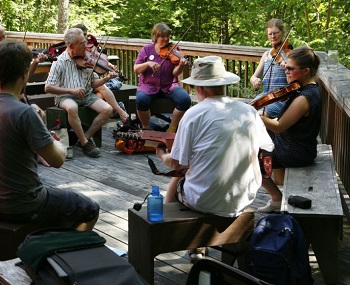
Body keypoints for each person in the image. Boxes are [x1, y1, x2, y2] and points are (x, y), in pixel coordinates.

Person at [155, 56, 274, 262]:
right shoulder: (249, 111)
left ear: (199, 88)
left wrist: (162, 155)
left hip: (203, 200)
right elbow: (268, 147)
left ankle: (187, 242)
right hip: (244, 195)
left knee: (178, 176)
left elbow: (177, 164)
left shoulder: (193, 114)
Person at [0, 39, 100, 231]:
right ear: (25, 73)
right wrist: (47, 131)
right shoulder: (23, 112)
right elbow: (58, 159)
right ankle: (63, 253)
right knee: (90, 208)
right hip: (22, 204)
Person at [258, 46, 322, 213]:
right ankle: (276, 189)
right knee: (255, 144)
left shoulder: (303, 98)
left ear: (306, 70)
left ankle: (276, 199)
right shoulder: (306, 89)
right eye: (286, 66)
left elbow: (279, 127)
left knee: (250, 160)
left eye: (290, 68)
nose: (285, 70)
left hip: (295, 151)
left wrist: (256, 116)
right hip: (298, 145)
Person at [45, 28, 116, 158]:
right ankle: (85, 143)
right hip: (66, 96)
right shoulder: (59, 61)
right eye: (82, 43)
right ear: (71, 46)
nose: (86, 46)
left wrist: (106, 79)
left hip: (86, 95)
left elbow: (93, 84)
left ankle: (84, 138)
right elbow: (48, 87)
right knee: (72, 107)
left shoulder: (86, 59)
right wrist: (71, 90)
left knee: (108, 109)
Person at [134, 23, 192, 133]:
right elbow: (136, 69)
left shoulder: (174, 49)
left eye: (167, 36)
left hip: (169, 85)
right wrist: (148, 64)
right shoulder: (146, 49)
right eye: (163, 36)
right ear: (155, 36)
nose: (166, 39)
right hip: (148, 85)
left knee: (185, 99)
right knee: (141, 100)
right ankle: (146, 128)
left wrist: (180, 65)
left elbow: (175, 73)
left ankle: (172, 128)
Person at [73, 24, 129, 123]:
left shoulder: (87, 49)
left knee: (100, 94)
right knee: (101, 88)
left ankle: (91, 121)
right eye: (83, 35)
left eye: (86, 35)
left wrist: (107, 65)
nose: (86, 38)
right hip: (77, 85)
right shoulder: (74, 50)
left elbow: (96, 57)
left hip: (89, 84)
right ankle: (119, 111)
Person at [250, 19, 292, 119]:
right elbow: (253, 77)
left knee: (259, 116)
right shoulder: (266, 55)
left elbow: (296, 74)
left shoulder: (290, 54)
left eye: (276, 33)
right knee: (246, 110)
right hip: (265, 96)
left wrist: (288, 65)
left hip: (281, 98)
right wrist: (255, 80)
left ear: (283, 33)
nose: (273, 36)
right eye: (270, 34)